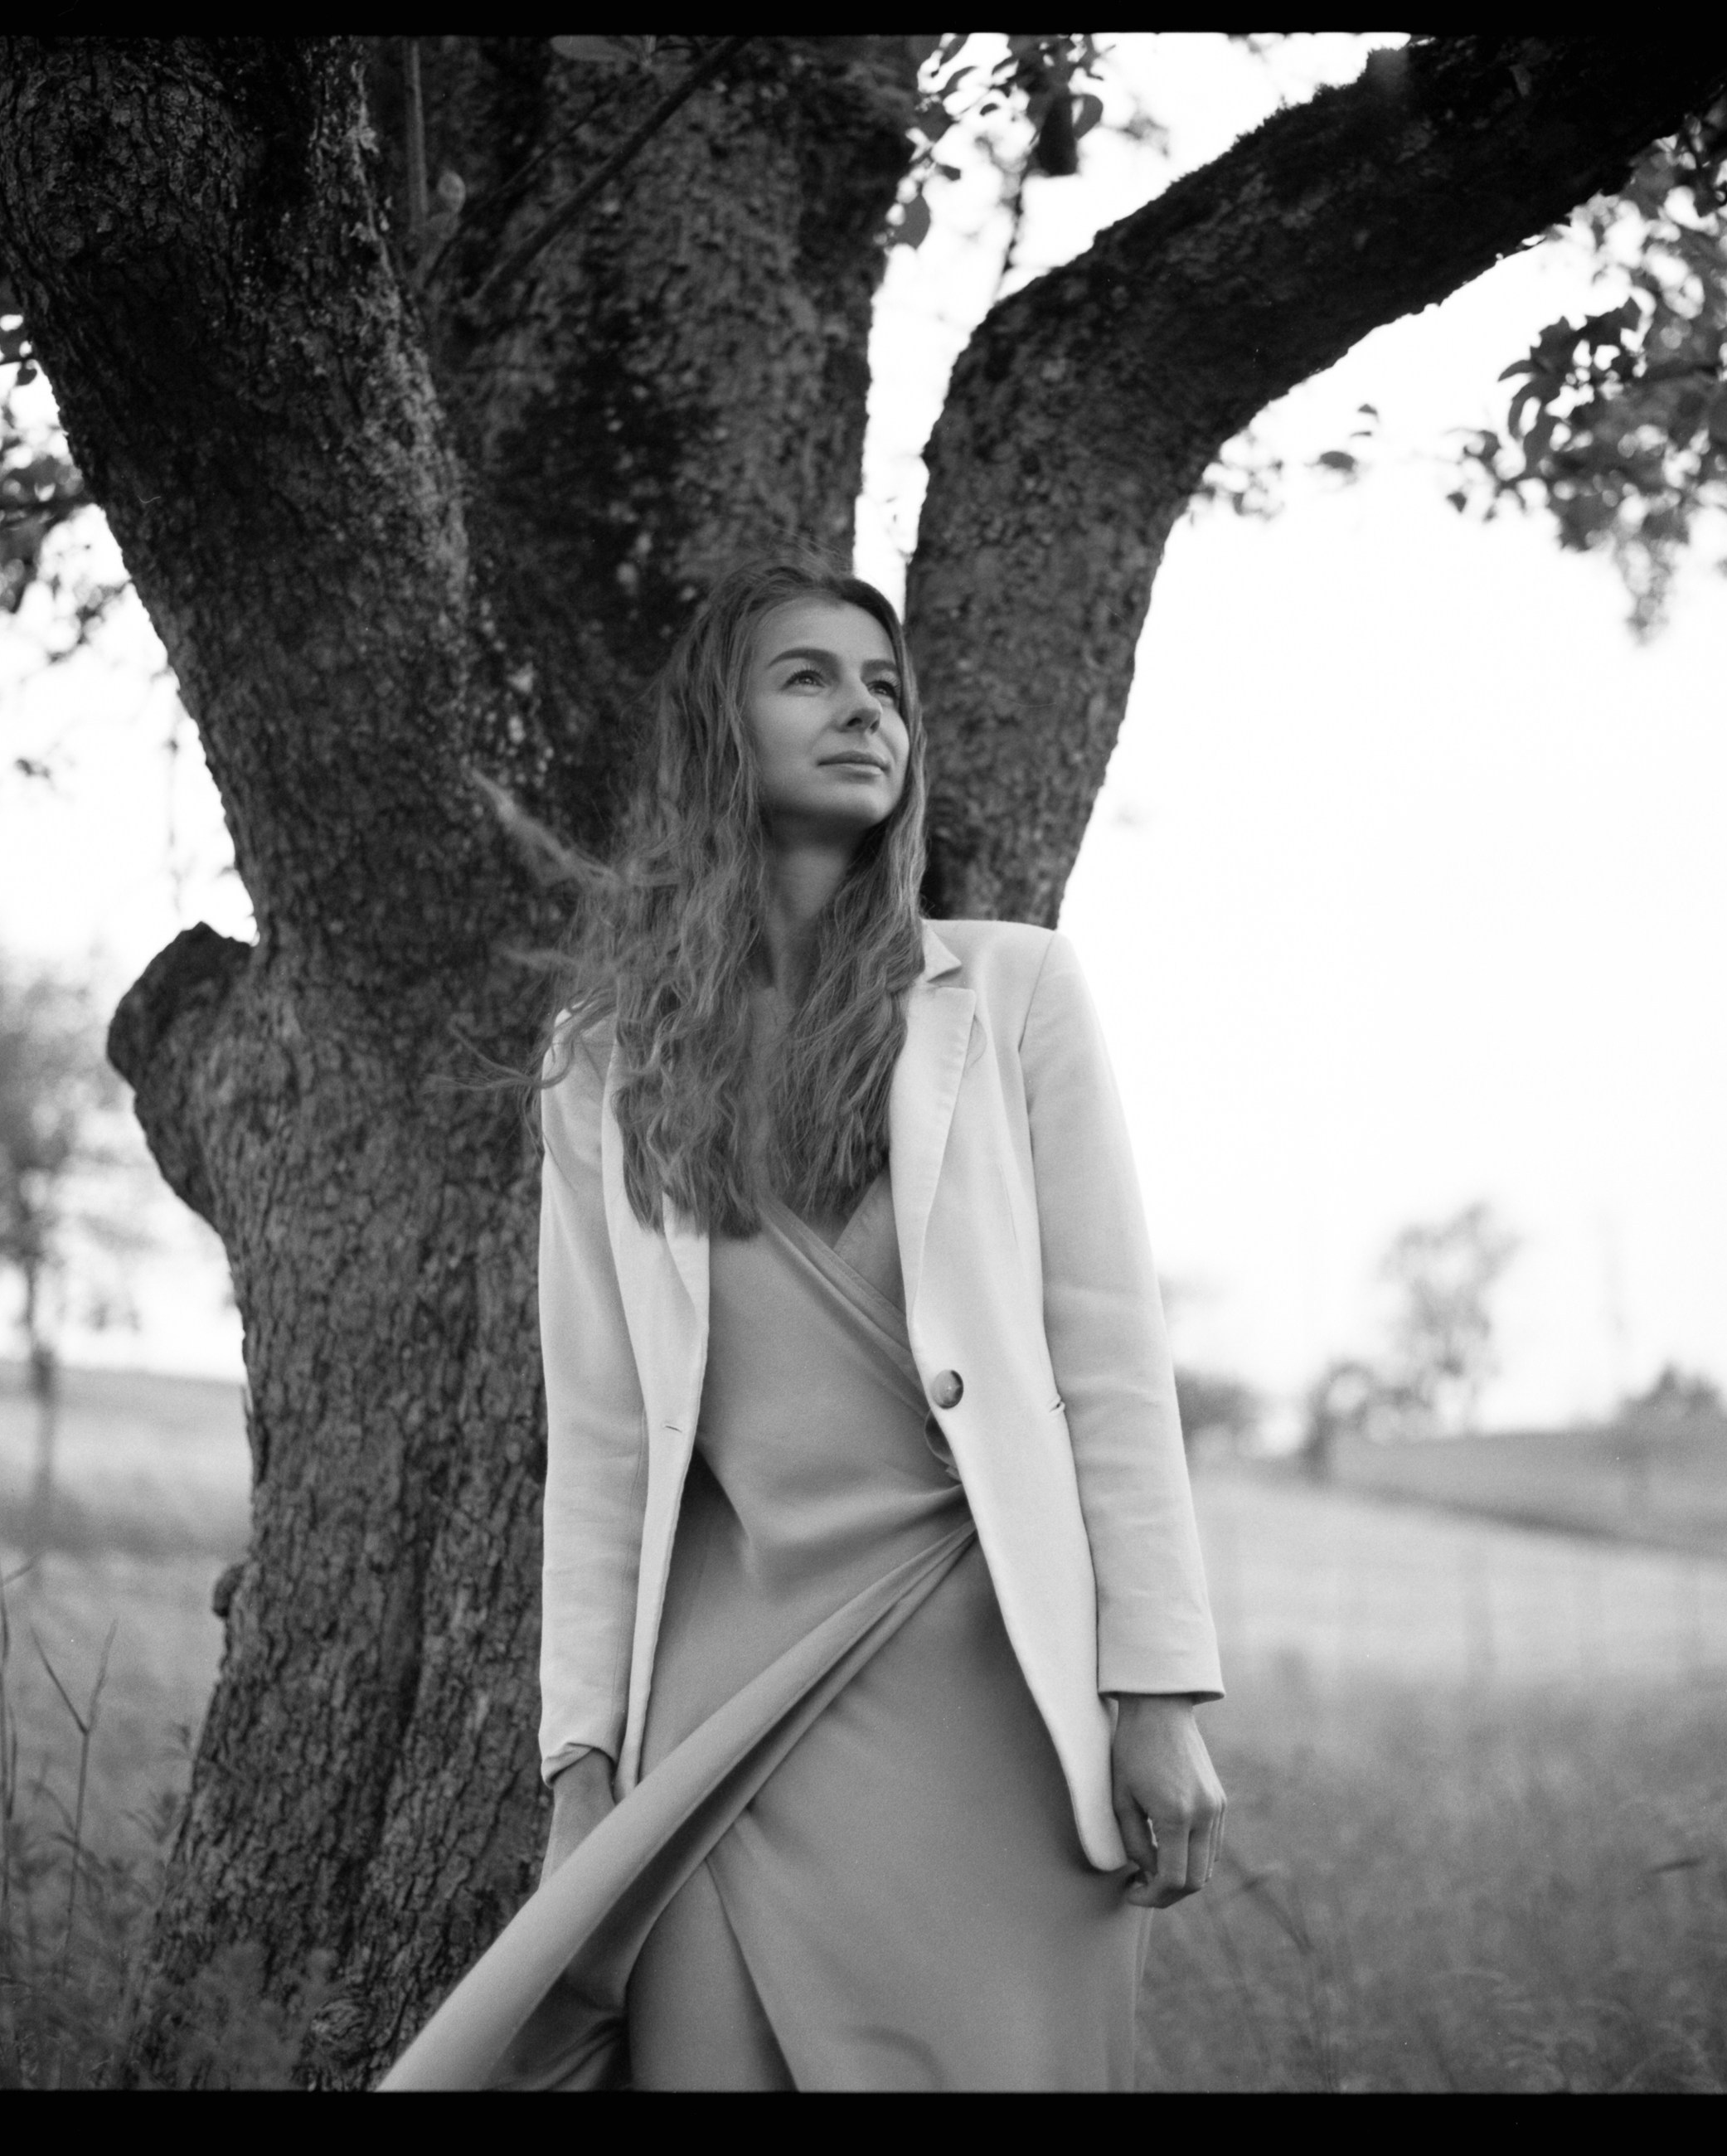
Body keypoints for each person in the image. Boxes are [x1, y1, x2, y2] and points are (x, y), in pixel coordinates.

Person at [381, 554, 1225, 2094]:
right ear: (719, 733)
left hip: (992, 1681)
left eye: (885, 687)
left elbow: (1110, 1361)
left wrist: (1156, 1692)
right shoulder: (600, 1065)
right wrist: (582, 1766)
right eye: (810, 679)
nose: (865, 713)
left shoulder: (1014, 993)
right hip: (725, 1694)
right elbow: (606, 1436)